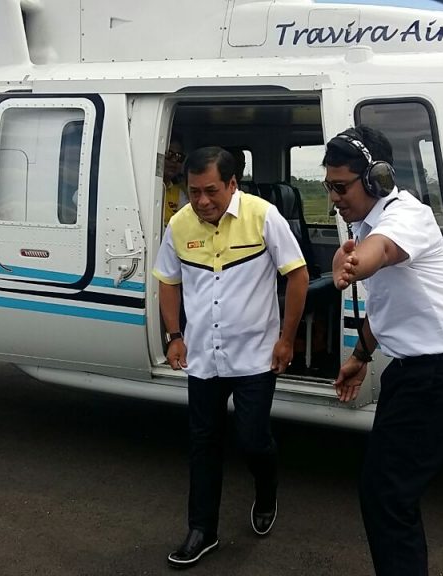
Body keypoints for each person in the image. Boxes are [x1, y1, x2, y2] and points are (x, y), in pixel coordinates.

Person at [325, 126, 443, 576]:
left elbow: (380, 253)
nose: (334, 198)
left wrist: (353, 263)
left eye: (342, 187)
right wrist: (360, 356)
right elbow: (384, 305)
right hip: (416, 371)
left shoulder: (406, 216)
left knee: (387, 495)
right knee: (389, 493)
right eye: (329, 186)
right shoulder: (368, 223)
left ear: (376, 179)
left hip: (441, 373)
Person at [154, 146, 308, 568]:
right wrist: (174, 335)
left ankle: (266, 491)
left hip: (255, 355)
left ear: (232, 184)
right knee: (203, 443)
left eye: (211, 191)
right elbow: (168, 281)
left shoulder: (263, 216)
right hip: (204, 356)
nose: (202, 201)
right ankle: (202, 530)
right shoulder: (179, 224)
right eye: (194, 192)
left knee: (252, 439)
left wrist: (286, 339)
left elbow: (297, 275)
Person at [162, 137, 188, 227]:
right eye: (169, 154)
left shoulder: (179, 194)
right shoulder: (145, 188)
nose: (174, 160)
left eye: (178, 156)